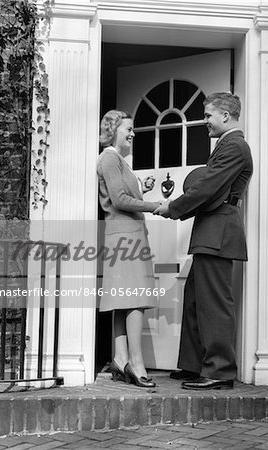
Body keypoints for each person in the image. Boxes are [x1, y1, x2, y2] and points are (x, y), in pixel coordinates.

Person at [153, 92, 253, 390]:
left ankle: (220, 371)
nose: (204, 121)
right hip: (211, 231)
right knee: (197, 301)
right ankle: (196, 365)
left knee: (215, 304)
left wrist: (173, 207)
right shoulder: (227, 145)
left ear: (225, 115)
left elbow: (208, 187)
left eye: (208, 115)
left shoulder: (235, 146)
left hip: (219, 232)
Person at [97, 110, 160, 388]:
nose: (133, 133)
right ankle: (136, 363)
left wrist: (141, 189)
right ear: (113, 131)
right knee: (136, 298)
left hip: (124, 237)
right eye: (128, 129)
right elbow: (120, 200)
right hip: (126, 239)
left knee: (124, 301)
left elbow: (123, 195)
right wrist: (154, 205)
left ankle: (121, 359)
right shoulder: (110, 158)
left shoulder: (118, 160)